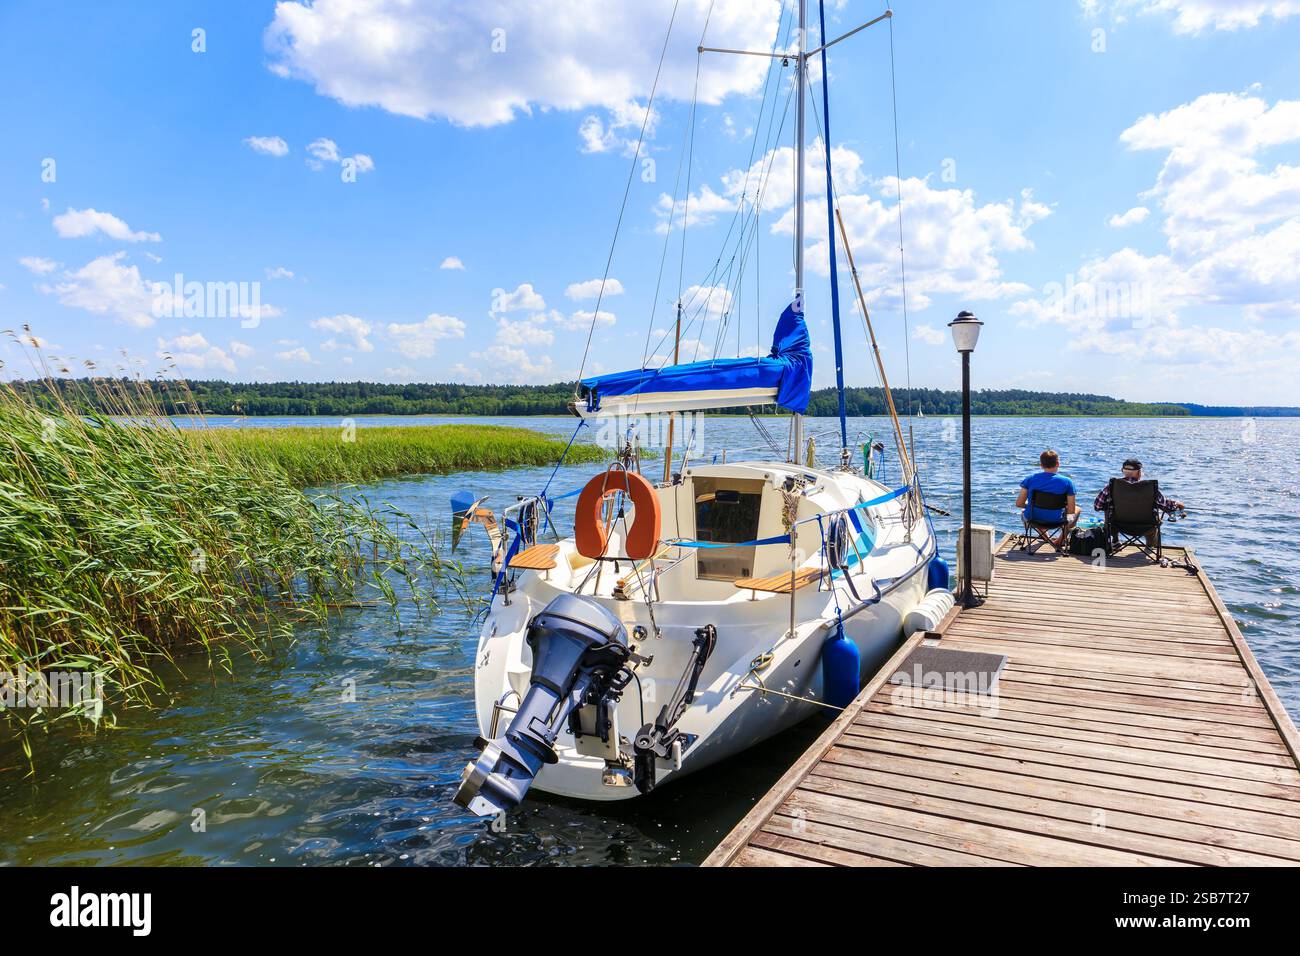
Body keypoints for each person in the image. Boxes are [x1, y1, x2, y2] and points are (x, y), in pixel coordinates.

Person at [1093, 458, 1184, 546]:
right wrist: (1177, 504)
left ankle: (1115, 541)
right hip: (1146, 527)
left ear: (1122, 471)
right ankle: (1150, 547)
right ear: (1139, 472)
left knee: (1108, 509)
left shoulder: (1111, 486)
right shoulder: (1149, 488)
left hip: (1117, 524)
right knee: (1156, 514)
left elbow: (1097, 506)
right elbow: (1165, 504)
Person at [1016, 449, 1080, 548]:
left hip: (1034, 519)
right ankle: (1060, 540)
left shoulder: (1030, 479)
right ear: (1058, 463)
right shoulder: (1067, 482)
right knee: (1077, 510)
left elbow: (1019, 504)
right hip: (1057, 521)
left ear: (1041, 465)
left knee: (1026, 511)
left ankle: (1046, 538)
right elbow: (1071, 510)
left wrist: (1031, 505)